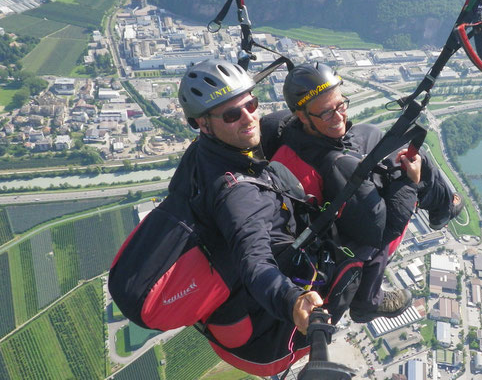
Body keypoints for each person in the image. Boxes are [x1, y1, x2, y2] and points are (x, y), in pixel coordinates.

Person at [264, 62, 463, 323]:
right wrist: (410, 182)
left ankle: (441, 205)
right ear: (302, 116)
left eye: (341, 105)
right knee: (413, 160)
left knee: (377, 136)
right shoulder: (337, 166)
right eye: (326, 113)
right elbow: (382, 232)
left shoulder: (286, 133)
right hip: (340, 232)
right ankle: (368, 301)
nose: (339, 117)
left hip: (325, 186)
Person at [175, 58, 322, 376]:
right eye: (232, 114)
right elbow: (254, 262)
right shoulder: (236, 193)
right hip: (256, 333)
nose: (249, 118)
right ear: (204, 123)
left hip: (223, 306)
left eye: (251, 104)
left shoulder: (200, 154)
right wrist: (292, 301)